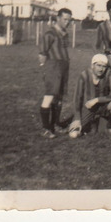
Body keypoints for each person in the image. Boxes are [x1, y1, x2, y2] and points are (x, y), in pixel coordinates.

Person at [37, 8, 73, 139]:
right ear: (58, 18)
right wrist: (46, 70)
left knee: (59, 97)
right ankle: (46, 128)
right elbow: (42, 54)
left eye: (69, 19)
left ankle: (55, 124)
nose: (67, 22)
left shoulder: (65, 34)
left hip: (64, 67)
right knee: (49, 96)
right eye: (65, 19)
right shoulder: (49, 34)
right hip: (53, 67)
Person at [69, 54, 111, 140]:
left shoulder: (108, 74)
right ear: (92, 65)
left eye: (104, 66)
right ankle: (93, 121)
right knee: (73, 134)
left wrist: (97, 100)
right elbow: (77, 98)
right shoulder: (84, 75)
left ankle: (109, 128)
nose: (101, 69)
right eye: (98, 65)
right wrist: (77, 118)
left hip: (103, 106)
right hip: (88, 108)